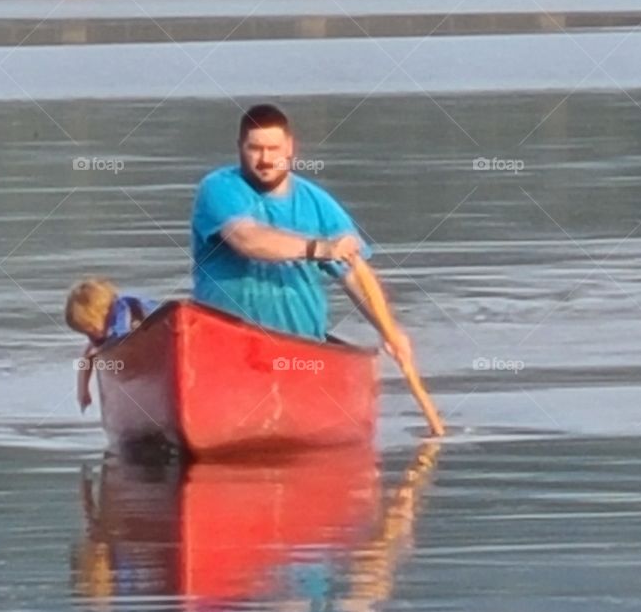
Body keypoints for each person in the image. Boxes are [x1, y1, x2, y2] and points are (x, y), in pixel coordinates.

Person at [190, 103, 417, 369]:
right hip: (225, 347)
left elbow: (356, 273)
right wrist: (320, 249)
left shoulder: (318, 204)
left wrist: (389, 331)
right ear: (240, 146)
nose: (264, 159)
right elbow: (247, 240)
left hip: (299, 357)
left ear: (290, 148)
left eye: (273, 149)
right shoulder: (219, 188)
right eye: (255, 148)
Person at [65, 277, 160, 412]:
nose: (90, 338)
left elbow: (123, 338)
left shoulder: (125, 312)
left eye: (91, 331)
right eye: (86, 334)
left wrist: (102, 349)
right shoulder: (105, 325)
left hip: (157, 333)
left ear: (106, 314)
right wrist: (83, 391)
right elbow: (88, 354)